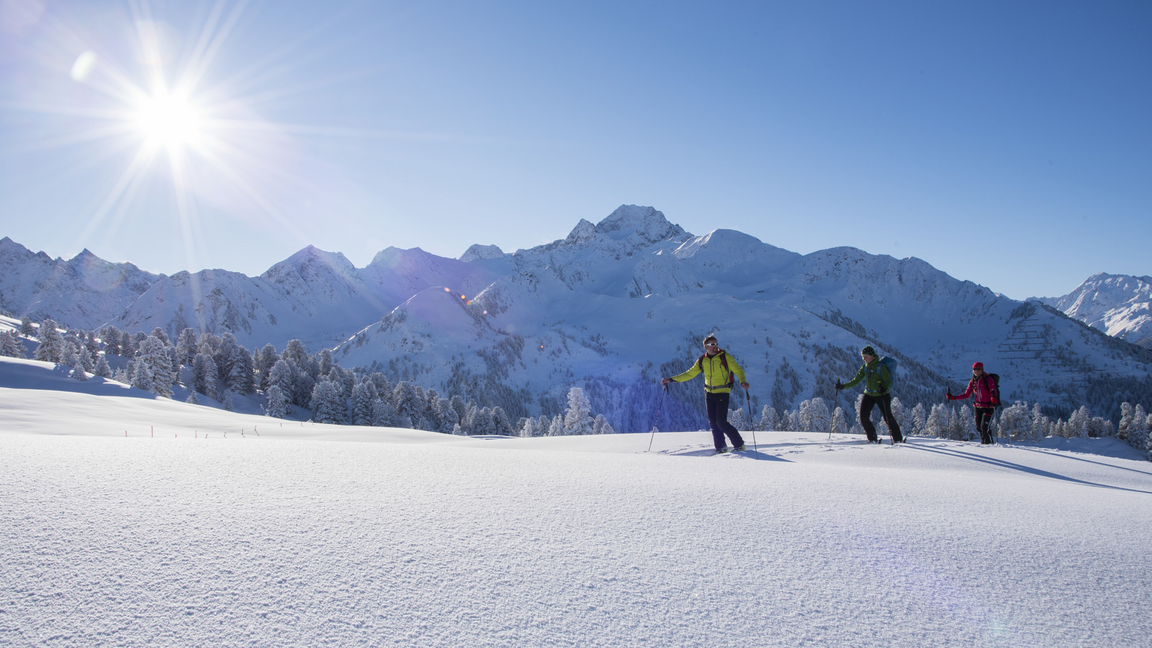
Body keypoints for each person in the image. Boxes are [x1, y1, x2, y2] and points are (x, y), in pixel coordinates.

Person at [662, 335, 750, 454]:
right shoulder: (702, 360)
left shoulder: (724, 357)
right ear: (706, 347)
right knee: (713, 422)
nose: (715, 346)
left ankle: (739, 444)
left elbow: (738, 370)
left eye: (716, 343)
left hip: (722, 392)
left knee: (721, 421)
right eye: (712, 344)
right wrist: (671, 380)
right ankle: (720, 448)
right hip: (709, 393)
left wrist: (743, 381)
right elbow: (689, 374)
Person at [836, 345, 904, 444]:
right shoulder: (865, 367)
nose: (864, 359)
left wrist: (885, 388)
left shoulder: (881, 367)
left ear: (872, 356)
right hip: (869, 395)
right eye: (863, 357)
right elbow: (856, 380)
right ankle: (872, 438)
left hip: (882, 395)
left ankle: (898, 439)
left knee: (888, 418)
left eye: (866, 357)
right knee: (863, 417)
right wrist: (843, 386)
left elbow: (888, 381)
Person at [947, 362, 1000, 444]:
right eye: (974, 369)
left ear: (982, 369)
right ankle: (984, 443)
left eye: (978, 369)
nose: (976, 371)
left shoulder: (988, 379)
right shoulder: (973, 381)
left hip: (988, 407)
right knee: (979, 428)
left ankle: (989, 445)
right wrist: (953, 398)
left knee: (984, 427)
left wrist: (994, 398)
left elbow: (993, 389)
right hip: (978, 407)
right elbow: (967, 394)